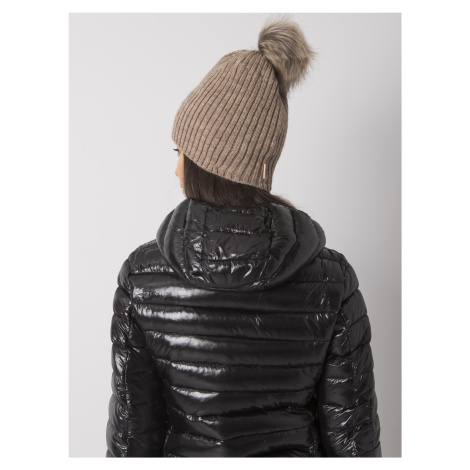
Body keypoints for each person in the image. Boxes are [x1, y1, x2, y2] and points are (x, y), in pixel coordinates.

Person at [105, 14, 382, 458]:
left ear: (210, 163)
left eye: (182, 152)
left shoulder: (142, 280)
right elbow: (353, 445)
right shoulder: (333, 282)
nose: (176, 169)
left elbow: (131, 443)